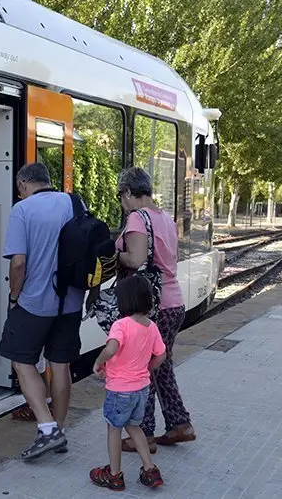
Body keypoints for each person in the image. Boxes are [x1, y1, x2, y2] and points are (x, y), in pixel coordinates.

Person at [0, 162, 86, 459]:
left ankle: (47, 429)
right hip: (71, 301)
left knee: (21, 362)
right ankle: (58, 432)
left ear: (23, 184)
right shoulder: (74, 202)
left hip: (34, 303)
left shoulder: (22, 210)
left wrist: (14, 297)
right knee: (60, 365)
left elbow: (18, 262)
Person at [114, 167, 196, 454]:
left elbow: (135, 259)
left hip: (151, 308)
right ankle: (180, 424)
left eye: (119, 195)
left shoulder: (137, 218)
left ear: (127, 192)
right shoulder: (164, 218)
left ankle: (145, 434)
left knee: (140, 369)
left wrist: (115, 253)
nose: (121, 202)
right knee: (161, 366)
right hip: (174, 302)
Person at [89, 276, 166, 491]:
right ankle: (150, 469)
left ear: (124, 301)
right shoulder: (151, 327)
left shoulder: (120, 325)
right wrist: (146, 370)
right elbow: (160, 356)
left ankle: (114, 475)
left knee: (114, 429)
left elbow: (112, 349)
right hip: (141, 389)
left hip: (120, 391)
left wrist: (99, 361)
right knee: (134, 427)